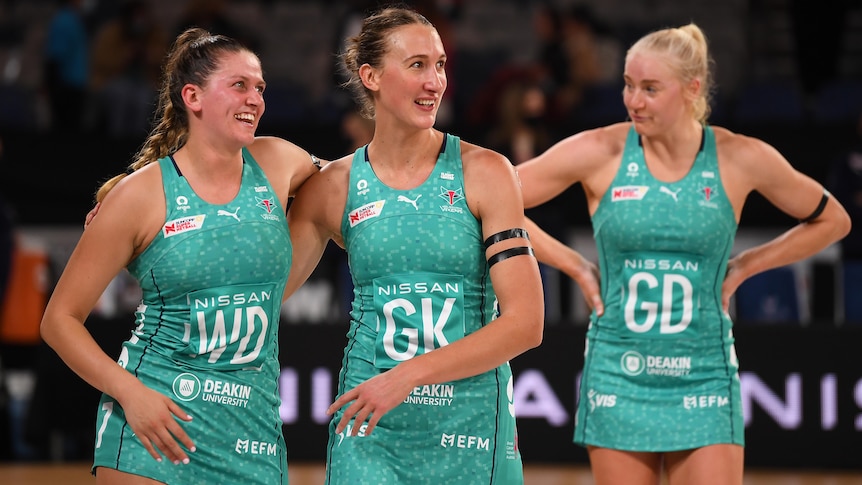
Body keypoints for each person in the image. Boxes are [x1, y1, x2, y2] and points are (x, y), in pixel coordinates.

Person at [514, 23, 851, 485]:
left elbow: (834, 219)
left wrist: (748, 265)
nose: (634, 100)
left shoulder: (738, 157)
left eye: (650, 89)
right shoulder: (600, 149)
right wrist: (571, 262)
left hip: (704, 373)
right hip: (618, 371)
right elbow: (490, 201)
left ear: (692, 90)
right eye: (629, 86)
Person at [40, 28, 321, 484]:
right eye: (239, 85)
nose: (256, 99)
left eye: (260, 87)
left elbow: (349, 188)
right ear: (193, 96)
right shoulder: (139, 195)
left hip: (253, 432)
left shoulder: (280, 161)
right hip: (155, 423)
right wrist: (132, 395)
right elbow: (59, 320)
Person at [284, 6, 544, 484]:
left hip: (469, 431)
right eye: (417, 65)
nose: (435, 81)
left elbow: (526, 324)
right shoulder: (334, 186)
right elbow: (264, 292)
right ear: (372, 76)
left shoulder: (485, 171)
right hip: (370, 429)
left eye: (440, 64)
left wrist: (408, 375)